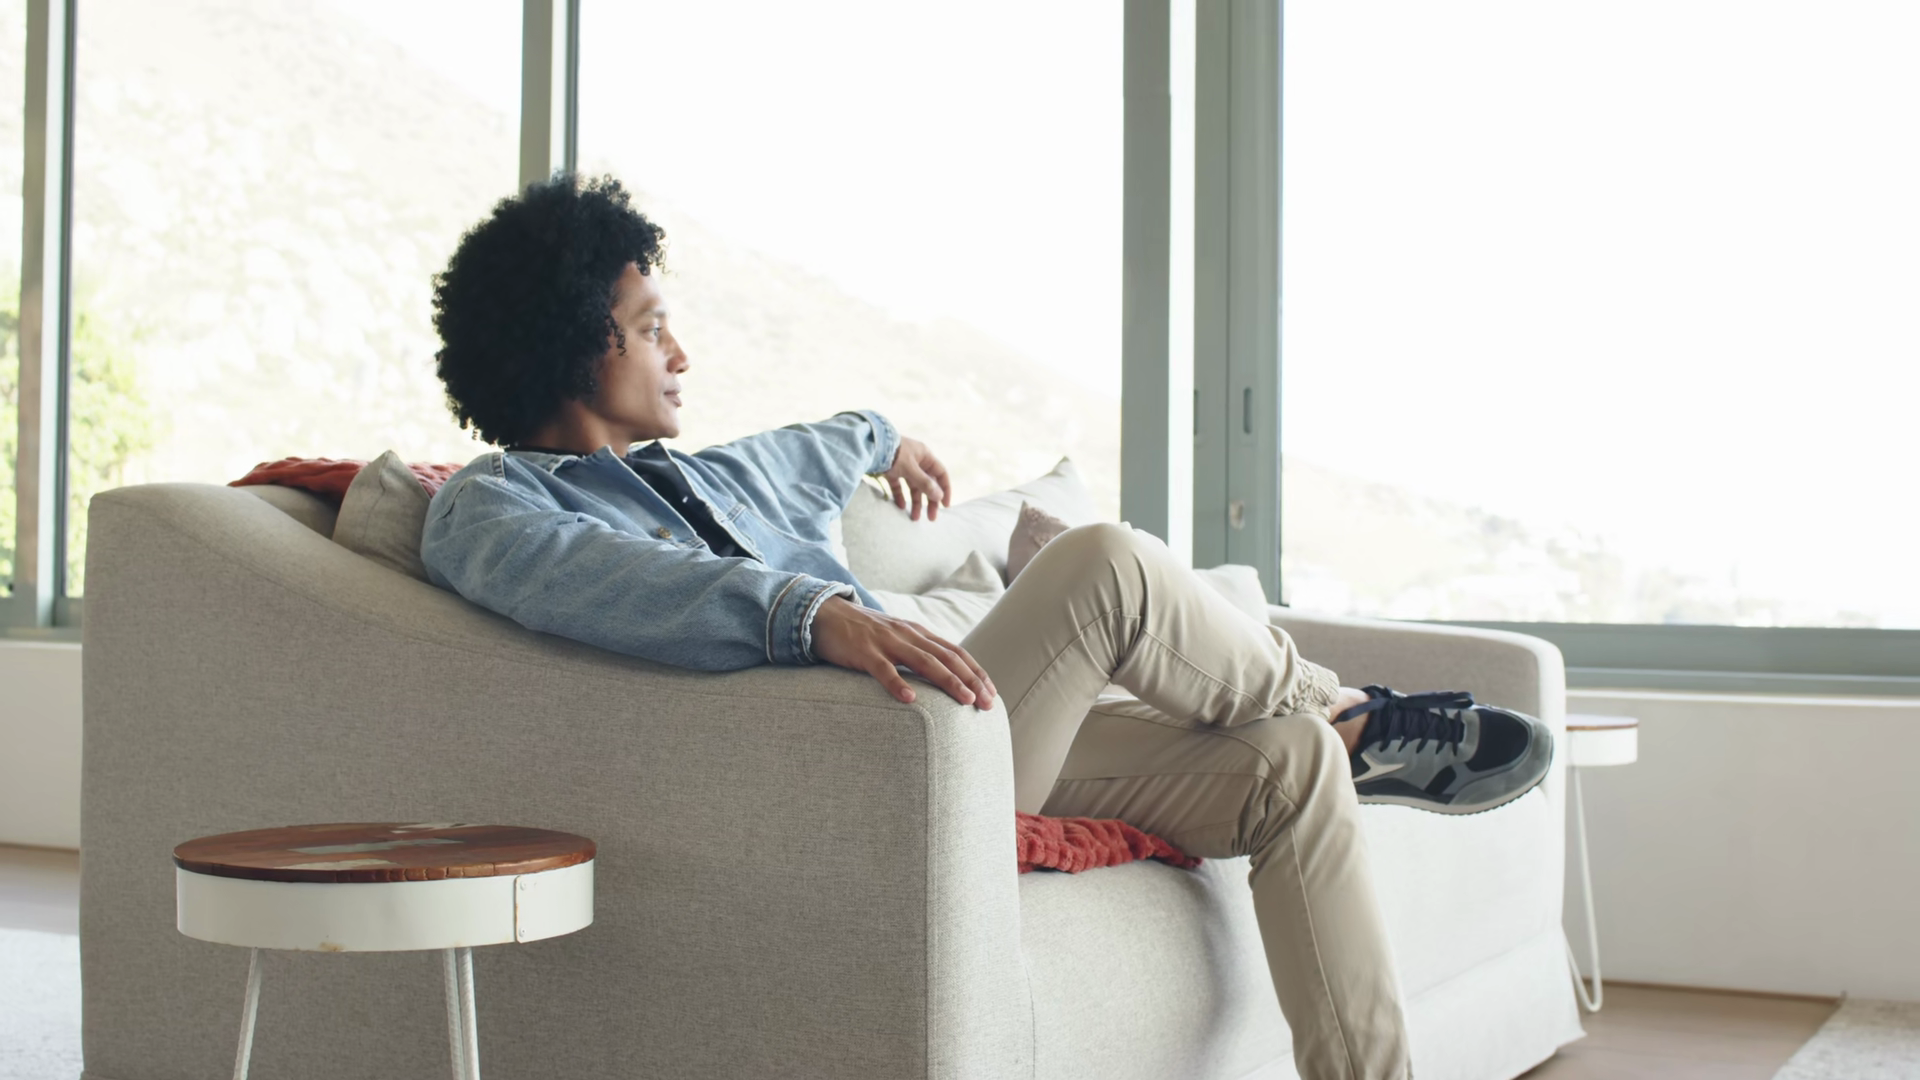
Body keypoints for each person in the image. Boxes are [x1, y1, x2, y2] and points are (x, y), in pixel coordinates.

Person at [421, 173, 1554, 1080]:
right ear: (574, 348)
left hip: (961, 738)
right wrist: (810, 612)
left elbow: (819, 445)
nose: (680, 356)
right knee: (1103, 563)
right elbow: (607, 579)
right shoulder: (495, 507)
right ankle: (1348, 709)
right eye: (652, 328)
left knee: (1290, 763)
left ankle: (1333, 767)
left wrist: (886, 438)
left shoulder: (710, 473)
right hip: (864, 761)